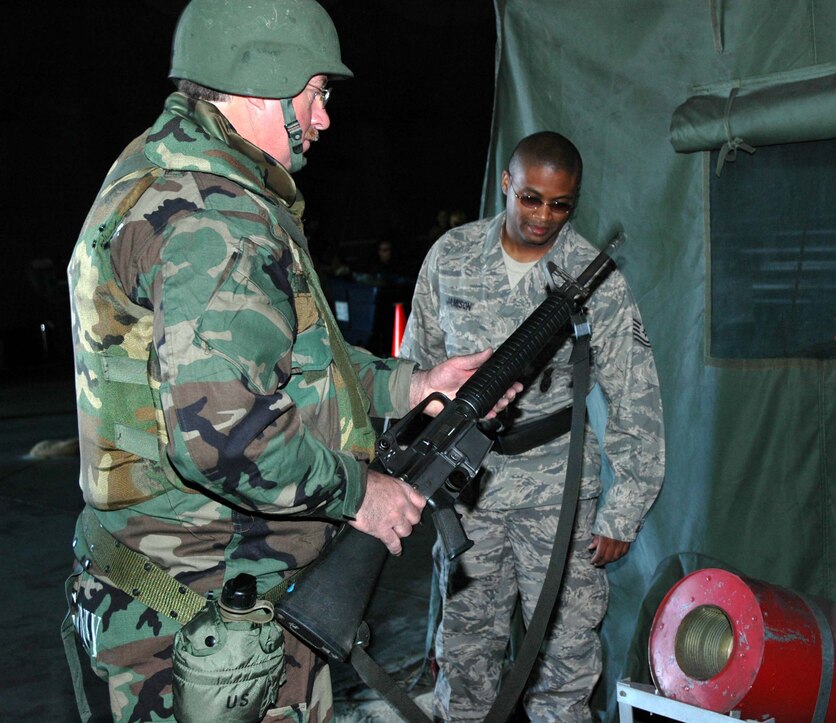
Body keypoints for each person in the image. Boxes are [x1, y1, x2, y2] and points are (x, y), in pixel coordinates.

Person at [64, 1, 517, 720]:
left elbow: (292, 366)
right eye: (316, 93)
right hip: (208, 609)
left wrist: (415, 384)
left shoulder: (159, 172)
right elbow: (225, 439)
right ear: (259, 84)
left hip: (169, 592)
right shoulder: (215, 218)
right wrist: (362, 494)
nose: (324, 117)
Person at [399, 131, 666, 721]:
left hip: (558, 490)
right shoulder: (451, 256)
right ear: (507, 184)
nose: (543, 216)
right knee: (466, 651)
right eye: (531, 199)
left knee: (565, 659)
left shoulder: (593, 276)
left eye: (560, 205)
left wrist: (624, 511)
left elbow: (635, 396)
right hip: (469, 488)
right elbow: (416, 367)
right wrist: (412, 470)